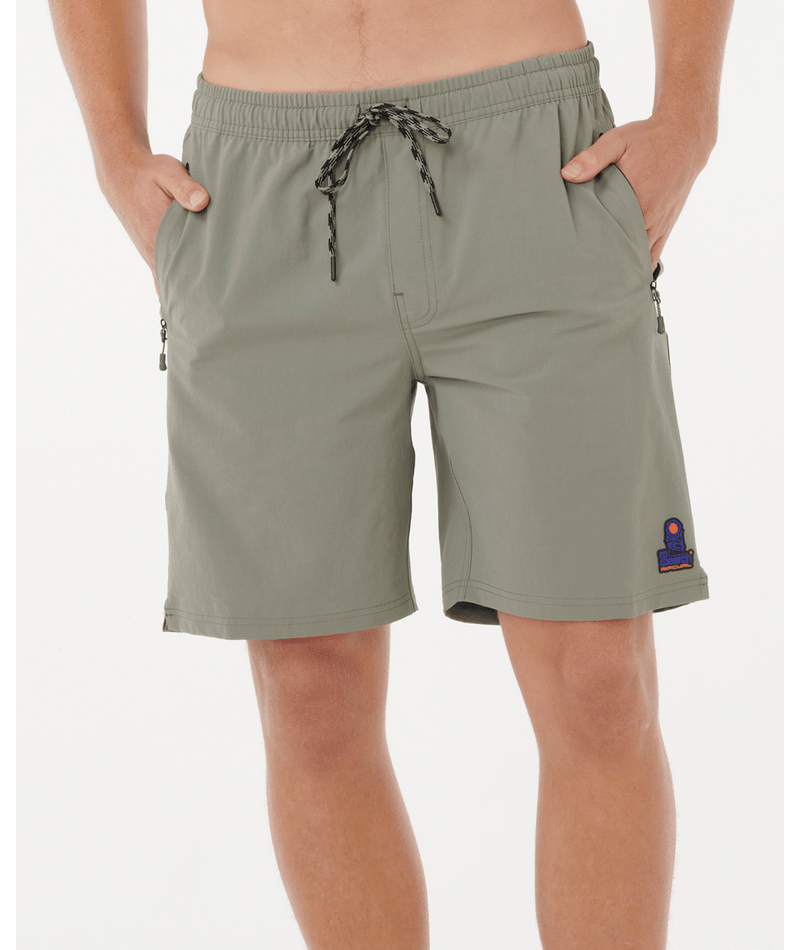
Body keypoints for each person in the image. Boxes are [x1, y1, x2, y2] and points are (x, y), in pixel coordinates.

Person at [47, 0, 733, 946]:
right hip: (257, 186)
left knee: (597, 676)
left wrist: (690, 114)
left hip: (532, 160)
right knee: (309, 688)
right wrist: (114, 153)